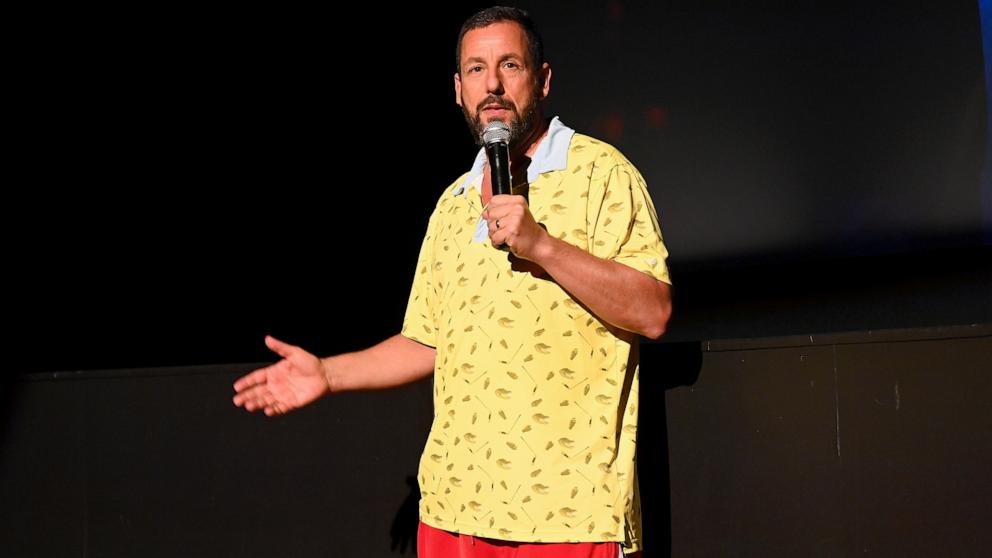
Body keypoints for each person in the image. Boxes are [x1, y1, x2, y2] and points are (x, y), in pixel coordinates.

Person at [233, 6, 671, 557]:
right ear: (458, 90)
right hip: (451, 514)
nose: (492, 84)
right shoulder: (453, 203)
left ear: (542, 79)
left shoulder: (602, 173)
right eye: (475, 69)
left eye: (509, 65)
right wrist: (327, 372)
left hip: (565, 513)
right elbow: (427, 340)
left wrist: (540, 245)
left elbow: (653, 311)